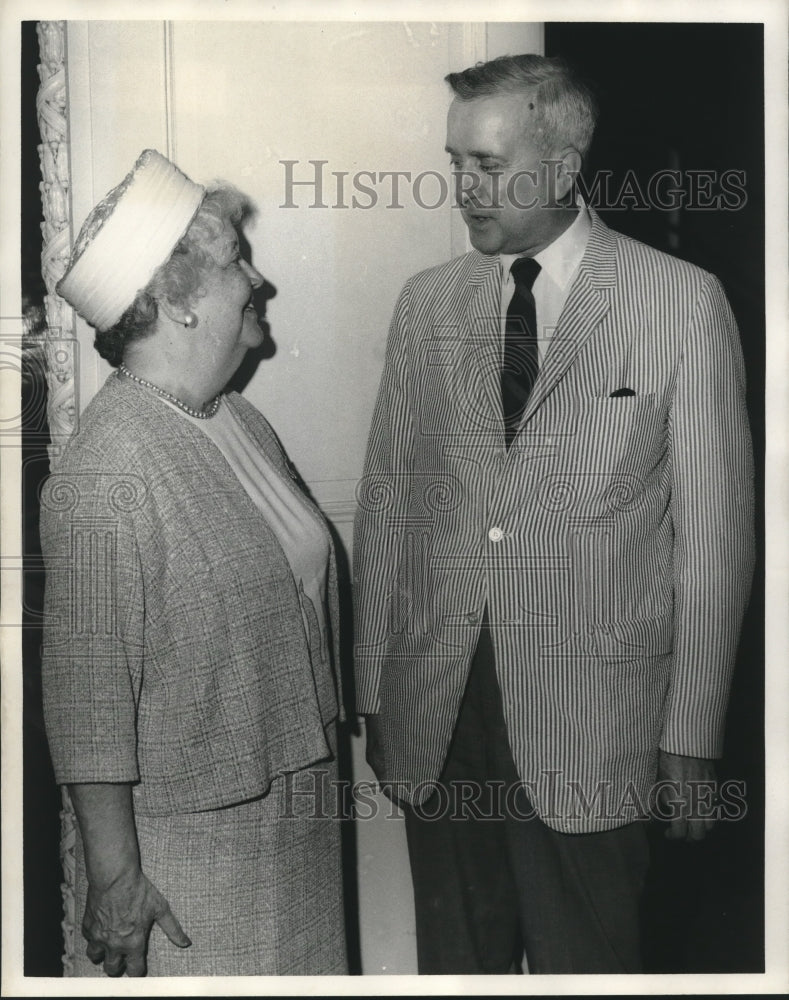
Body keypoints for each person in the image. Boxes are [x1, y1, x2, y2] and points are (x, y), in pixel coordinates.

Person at [353, 55, 755, 974]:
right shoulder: (427, 304)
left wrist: (688, 736)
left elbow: (714, 540)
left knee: (590, 967)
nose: (462, 187)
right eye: (454, 161)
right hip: (441, 714)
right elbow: (386, 505)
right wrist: (376, 690)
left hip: (595, 725)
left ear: (564, 164)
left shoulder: (679, 305)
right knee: (457, 966)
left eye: (486, 165)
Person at [40, 149, 346, 977]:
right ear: (177, 304)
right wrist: (116, 882)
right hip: (190, 861)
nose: (257, 279)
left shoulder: (236, 420)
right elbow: (87, 705)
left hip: (294, 813)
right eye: (235, 261)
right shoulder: (106, 474)